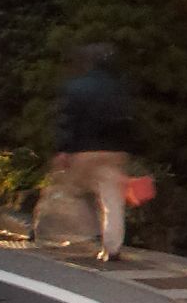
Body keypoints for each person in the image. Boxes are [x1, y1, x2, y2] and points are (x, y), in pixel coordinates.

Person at [49, 43, 137, 265]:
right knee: (112, 200)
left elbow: (67, 121)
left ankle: (80, 234)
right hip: (114, 152)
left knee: (74, 191)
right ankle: (112, 247)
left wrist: (63, 149)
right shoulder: (120, 88)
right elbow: (129, 121)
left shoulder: (76, 87)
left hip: (83, 152)